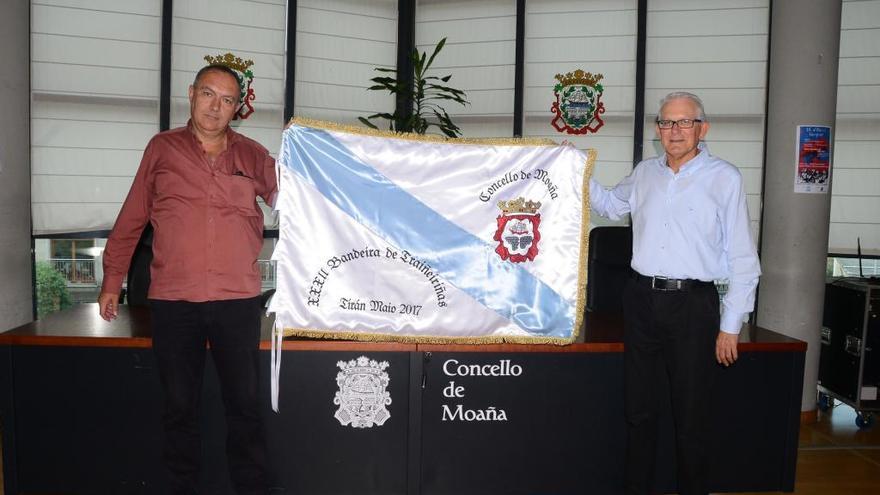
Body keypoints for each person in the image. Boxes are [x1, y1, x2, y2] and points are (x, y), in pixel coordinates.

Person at [98, 63, 277, 495]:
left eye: (228, 99)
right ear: (192, 93)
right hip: (175, 302)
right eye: (209, 94)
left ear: (238, 108)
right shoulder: (161, 149)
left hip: (237, 301)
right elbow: (132, 217)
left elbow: (294, 201)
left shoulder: (253, 154)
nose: (217, 106)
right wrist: (111, 280)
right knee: (179, 407)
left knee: (244, 406)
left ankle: (250, 487)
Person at [589, 92, 761, 495]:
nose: (675, 131)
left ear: (703, 127)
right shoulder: (645, 173)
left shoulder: (725, 178)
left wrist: (731, 325)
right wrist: (574, 171)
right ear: (658, 130)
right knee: (639, 412)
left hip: (693, 306)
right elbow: (611, 205)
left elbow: (742, 256)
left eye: (685, 122)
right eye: (667, 123)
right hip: (641, 302)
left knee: (691, 417)